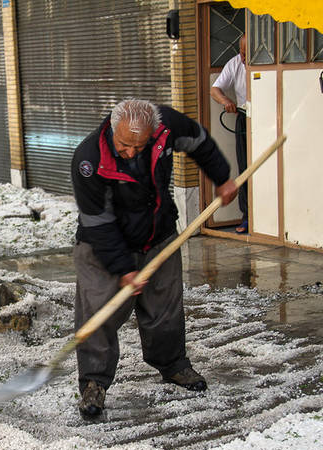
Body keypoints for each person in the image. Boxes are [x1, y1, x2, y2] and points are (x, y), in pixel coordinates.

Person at [71, 98, 237, 418]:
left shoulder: (166, 126)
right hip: (101, 246)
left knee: (165, 308)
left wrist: (222, 177)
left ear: (153, 132)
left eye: (139, 145)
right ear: (112, 129)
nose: (131, 152)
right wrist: (123, 269)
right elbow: (98, 222)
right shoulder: (89, 159)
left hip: (158, 236)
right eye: (124, 144)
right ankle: (94, 383)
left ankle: (173, 365)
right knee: (99, 314)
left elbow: (199, 141)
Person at [210, 34, 248, 234]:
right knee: (245, 167)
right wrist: (226, 101)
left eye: (247, 54)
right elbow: (215, 89)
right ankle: (247, 216)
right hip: (245, 116)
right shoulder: (234, 64)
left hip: (268, 117)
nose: (244, 58)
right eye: (242, 53)